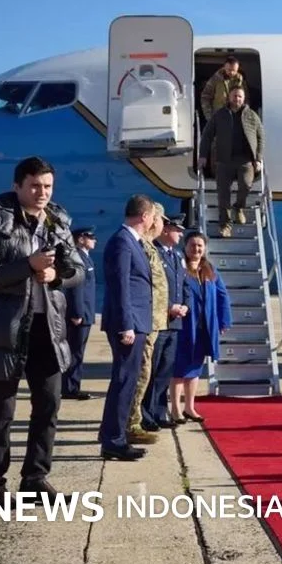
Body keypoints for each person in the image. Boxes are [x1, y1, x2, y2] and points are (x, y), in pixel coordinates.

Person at [0, 156, 86, 501]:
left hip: (47, 328)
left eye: (47, 186)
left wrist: (56, 275)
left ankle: (35, 478)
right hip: (6, 330)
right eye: (34, 185)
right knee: (1, 412)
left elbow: (78, 271)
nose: (41, 192)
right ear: (17, 186)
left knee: (48, 405)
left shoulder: (57, 223)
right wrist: (27, 266)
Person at [99, 193, 160, 460]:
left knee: (127, 380)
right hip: (129, 325)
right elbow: (120, 287)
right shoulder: (123, 242)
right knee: (124, 380)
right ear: (144, 217)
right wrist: (126, 325)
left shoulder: (131, 242)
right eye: (153, 217)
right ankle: (114, 439)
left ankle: (114, 436)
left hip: (136, 322)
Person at [171, 232, 231, 422]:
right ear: (185, 246)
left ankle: (189, 407)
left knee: (195, 369)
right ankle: (175, 409)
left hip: (204, 328)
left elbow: (222, 296)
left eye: (199, 246)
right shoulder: (179, 268)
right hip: (184, 327)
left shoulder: (210, 270)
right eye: (192, 245)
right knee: (179, 369)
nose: (196, 249)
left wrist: (223, 321)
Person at [139, 213, 190, 431]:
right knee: (153, 369)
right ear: (166, 230)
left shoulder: (177, 256)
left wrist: (185, 304)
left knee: (165, 371)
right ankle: (146, 415)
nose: (180, 234)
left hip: (175, 323)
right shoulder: (154, 253)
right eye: (177, 230)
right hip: (161, 320)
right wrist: (169, 306)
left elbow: (183, 285)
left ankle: (159, 412)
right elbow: (154, 286)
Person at [197, 85, 265, 237]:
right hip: (223, 160)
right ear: (229, 97)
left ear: (244, 98)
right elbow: (207, 136)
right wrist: (203, 156)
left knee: (246, 185)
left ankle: (239, 207)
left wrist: (258, 158)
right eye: (235, 96)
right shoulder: (220, 115)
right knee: (223, 194)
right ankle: (225, 225)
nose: (237, 99)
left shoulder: (251, 116)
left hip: (245, 160)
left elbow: (261, 137)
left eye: (240, 96)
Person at [125, 203, 166, 441]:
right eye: (159, 219)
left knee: (146, 373)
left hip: (153, 323)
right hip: (144, 323)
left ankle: (135, 419)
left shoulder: (148, 247)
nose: (161, 224)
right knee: (140, 374)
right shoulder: (141, 246)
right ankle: (131, 423)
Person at [62, 226, 98, 401]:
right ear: (80, 239)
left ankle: (73, 385)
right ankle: (69, 387)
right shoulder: (77, 258)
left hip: (86, 313)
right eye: (90, 236)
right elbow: (76, 287)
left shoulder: (85, 258)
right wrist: (76, 312)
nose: (94, 240)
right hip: (79, 314)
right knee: (74, 351)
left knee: (78, 352)